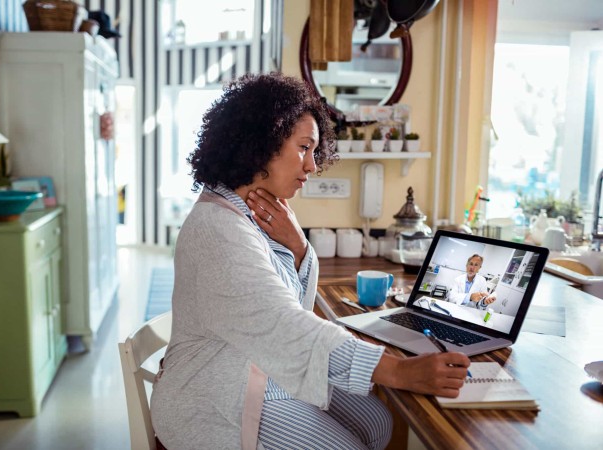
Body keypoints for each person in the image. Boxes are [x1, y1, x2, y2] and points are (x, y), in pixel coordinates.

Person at [149, 73, 470, 450]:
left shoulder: (250, 214)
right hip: (210, 401)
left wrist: (299, 246)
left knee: (379, 423)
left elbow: (292, 308)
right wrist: (397, 370)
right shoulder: (217, 230)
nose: (312, 166)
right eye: (304, 148)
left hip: (255, 369)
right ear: (262, 142)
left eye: (315, 151)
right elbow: (288, 326)